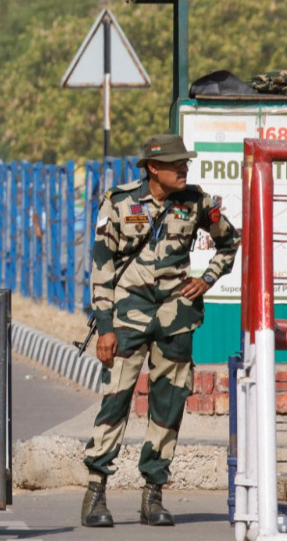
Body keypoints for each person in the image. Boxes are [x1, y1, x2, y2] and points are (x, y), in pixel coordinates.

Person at [81, 134, 240, 528]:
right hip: (126, 319)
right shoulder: (118, 202)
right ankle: (96, 491)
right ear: (153, 168)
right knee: (115, 401)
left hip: (176, 319)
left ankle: (153, 494)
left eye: (185, 162)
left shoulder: (197, 202)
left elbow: (230, 241)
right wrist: (104, 328)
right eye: (175, 163)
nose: (183, 168)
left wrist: (207, 279)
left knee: (168, 407)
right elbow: (101, 267)